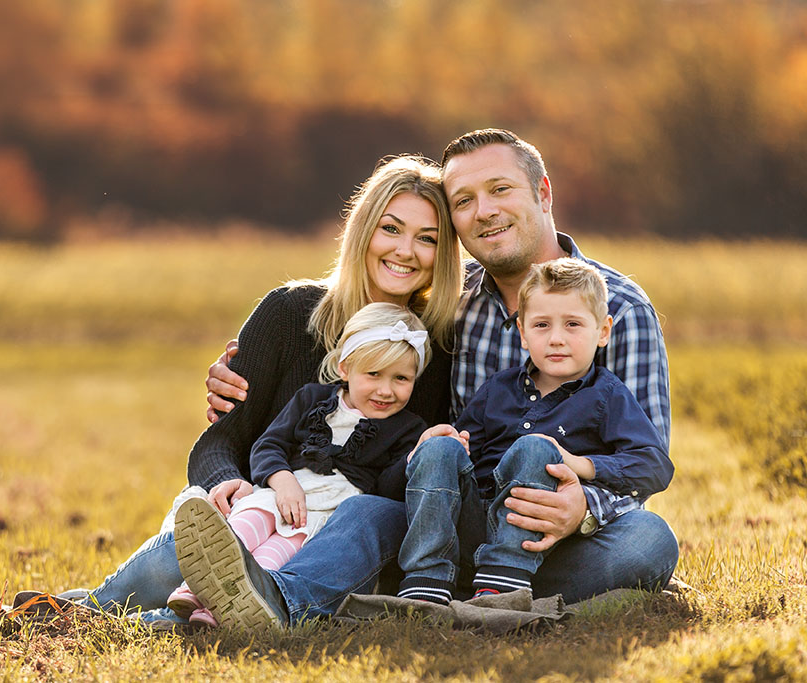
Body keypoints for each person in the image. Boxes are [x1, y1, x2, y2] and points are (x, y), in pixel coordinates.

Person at [191, 128, 678, 627]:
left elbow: (646, 461)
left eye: (500, 189)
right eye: (464, 200)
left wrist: (581, 509)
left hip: (554, 534)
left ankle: (456, 592)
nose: (484, 210)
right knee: (373, 511)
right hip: (453, 518)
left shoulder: (619, 307)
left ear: (544, 192)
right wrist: (244, 369)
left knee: (648, 540)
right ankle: (313, 594)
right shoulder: (449, 305)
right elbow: (377, 368)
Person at [66, 155, 462, 623]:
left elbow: (416, 478)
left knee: (370, 515)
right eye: (391, 229)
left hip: (339, 540)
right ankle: (90, 611)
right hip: (264, 506)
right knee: (198, 550)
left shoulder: (439, 349)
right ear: (363, 231)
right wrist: (227, 484)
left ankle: (246, 607)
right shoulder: (288, 314)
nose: (406, 251)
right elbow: (222, 439)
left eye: (428, 239)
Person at [396, 257, 674, 605]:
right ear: (523, 334)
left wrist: (577, 463)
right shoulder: (498, 389)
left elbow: (654, 465)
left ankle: (504, 582)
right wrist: (448, 444)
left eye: (573, 324)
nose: (556, 339)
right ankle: (427, 580)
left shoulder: (607, 395)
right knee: (439, 447)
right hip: (475, 526)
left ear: (603, 331)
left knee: (540, 451)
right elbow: (463, 453)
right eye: (542, 325)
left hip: (546, 541)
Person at [170, 303, 430, 628]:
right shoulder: (311, 399)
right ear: (345, 367)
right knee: (248, 521)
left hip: (324, 512)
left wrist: (415, 456)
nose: (385, 390)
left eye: (401, 378)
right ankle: (194, 587)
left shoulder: (407, 428)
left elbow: (387, 488)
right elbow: (268, 445)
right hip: (281, 491)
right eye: (373, 374)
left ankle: (222, 611)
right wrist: (282, 481)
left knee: (281, 551)